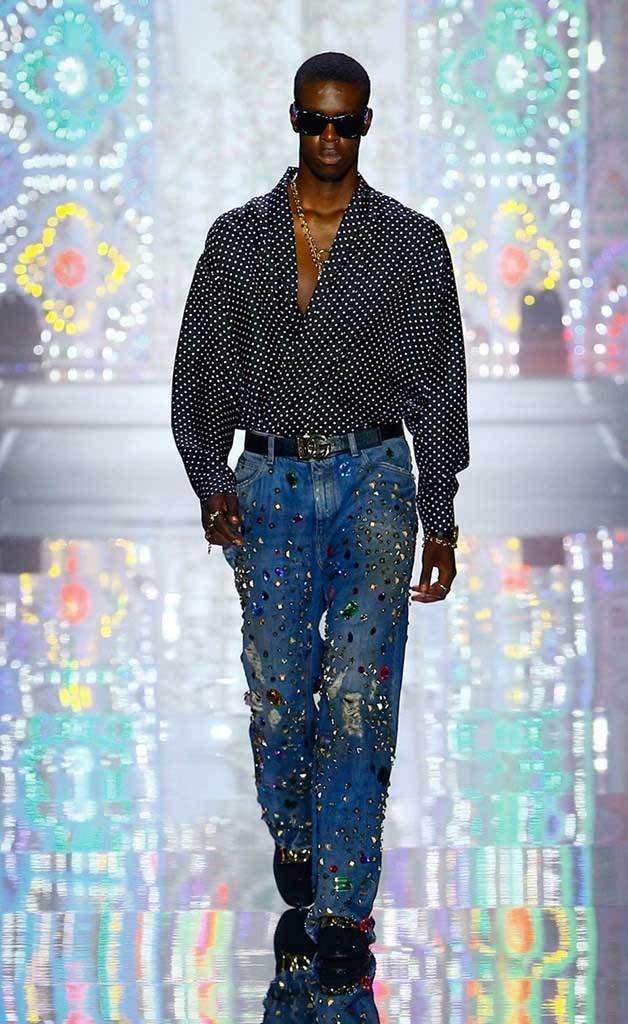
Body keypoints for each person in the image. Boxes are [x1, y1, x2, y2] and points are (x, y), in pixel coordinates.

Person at [171, 51, 469, 982]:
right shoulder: (238, 239)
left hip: (375, 477)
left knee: (357, 693)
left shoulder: (411, 244)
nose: (329, 137)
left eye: (344, 122)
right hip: (268, 480)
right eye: (314, 121)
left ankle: (343, 902)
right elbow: (198, 369)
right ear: (293, 119)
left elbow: (440, 385)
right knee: (276, 691)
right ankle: (295, 832)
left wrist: (440, 514)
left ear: (366, 123)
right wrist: (209, 479)